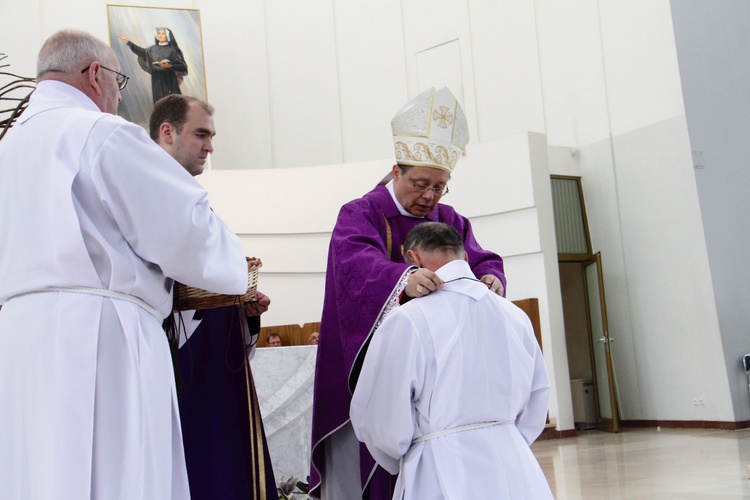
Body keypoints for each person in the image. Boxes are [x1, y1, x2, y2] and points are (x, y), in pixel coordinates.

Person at [0, 29, 248, 499]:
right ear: (96, 75)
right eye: (119, 81)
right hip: (101, 338)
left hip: (18, 343)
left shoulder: (7, 147)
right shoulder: (100, 132)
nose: (117, 94)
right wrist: (233, 260)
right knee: (117, 474)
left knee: (35, 474)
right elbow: (190, 237)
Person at [309, 87, 507, 499]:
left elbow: (479, 257)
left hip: (435, 380)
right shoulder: (361, 214)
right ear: (396, 171)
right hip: (373, 369)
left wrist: (490, 276)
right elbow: (355, 267)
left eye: (440, 187)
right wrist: (402, 278)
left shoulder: (448, 219)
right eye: (421, 184)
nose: (430, 197)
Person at [350, 222, 552, 499]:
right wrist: (507, 437)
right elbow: (538, 394)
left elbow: (382, 415)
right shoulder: (515, 315)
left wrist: (397, 453)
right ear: (465, 257)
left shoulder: (407, 319)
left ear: (413, 258)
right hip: (514, 463)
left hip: (439, 463)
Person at [150, 93, 279, 500]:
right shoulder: (148, 187)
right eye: (201, 134)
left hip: (214, 359)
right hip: (180, 360)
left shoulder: (187, 195)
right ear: (167, 132)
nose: (210, 146)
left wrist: (244, 312)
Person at [117, 27, 187, 103]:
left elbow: (182, 66)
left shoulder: (173, 50)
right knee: (159, 102)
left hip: (169, 78)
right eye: (159, 33)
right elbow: (140, 51)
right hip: (156, 78)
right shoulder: (152, 49)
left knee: (172, 102)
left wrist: (170, 66)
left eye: (163, 34)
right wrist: (127, 41)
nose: (160, 35)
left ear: (168, 35)